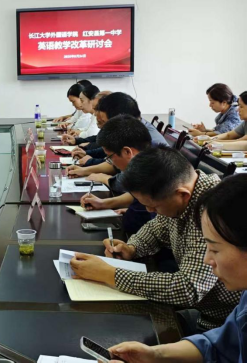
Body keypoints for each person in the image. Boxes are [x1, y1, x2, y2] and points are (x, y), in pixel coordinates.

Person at [69, 147, 242, 332]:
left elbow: (189, 288)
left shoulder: (213, 213)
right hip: (206, 315)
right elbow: (157, 228)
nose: (150, 211)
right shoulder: (181, 195)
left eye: (154, 206)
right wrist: (132, 248)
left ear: (182, 194)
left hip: (224, 324)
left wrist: (110, 274)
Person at [105, 175, 247, 363]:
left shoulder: (211, 209)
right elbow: (218, 345)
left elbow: (189, 288)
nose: (207, 260)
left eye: (215, 249)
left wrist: (110, 274)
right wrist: (155, 355)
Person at [68, 93, 168, 185]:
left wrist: (106, 179)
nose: (105, 128)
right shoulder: (131, 130)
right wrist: (84, 170)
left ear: (120, 119)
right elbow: (115, 162)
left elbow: (135, 185)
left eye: (105, 122)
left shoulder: (148, 142)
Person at [80, 115, 155, 234]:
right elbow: (136, 195)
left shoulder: (154, 177)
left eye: (109, 157)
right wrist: (103, 203)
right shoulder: (147, 165)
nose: (111, 163)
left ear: (127, 152)